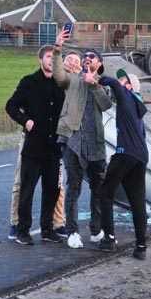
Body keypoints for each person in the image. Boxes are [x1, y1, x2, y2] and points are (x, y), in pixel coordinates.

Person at [7, 51, 82, 241]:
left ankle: (47, 229)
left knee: (52, 190)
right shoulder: (29, 82)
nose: (51, 61)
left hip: (54, 147)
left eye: (54, 58)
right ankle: (22, 231)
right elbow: (11, 106)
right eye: (48, 57)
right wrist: (25, 121)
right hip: (33, 145)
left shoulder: (60, 84)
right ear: (40, 59)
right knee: (27, 189)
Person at [53, 30, 112, 249]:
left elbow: (107, 105)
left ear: (100, 64)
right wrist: (58, 48)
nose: (87, 59)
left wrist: (94, 83)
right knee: (74, 187)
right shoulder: (73, 80)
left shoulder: (103, 84)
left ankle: (96, 230)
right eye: (85, 56)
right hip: (72, 140)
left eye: (92, 57)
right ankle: (73, 232)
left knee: (98, 188)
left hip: (95, 143)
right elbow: (58, 75)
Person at [97, 69, 149, 260]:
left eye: (123, 80)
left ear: (129, 86)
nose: (120, 82)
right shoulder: (138, 104)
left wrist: (98, 79)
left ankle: (109, 239)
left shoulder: (127, 96)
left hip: (125, 153)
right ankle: (141, 246)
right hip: (140, 156)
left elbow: (114, 84)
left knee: (105, 193)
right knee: (137, 202)